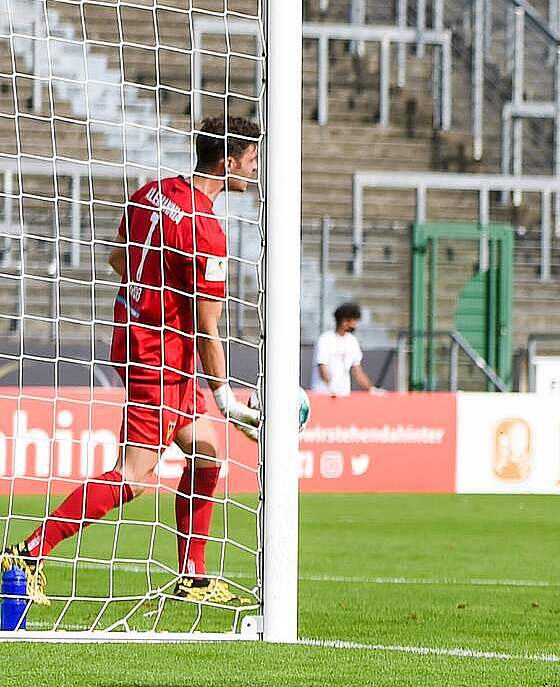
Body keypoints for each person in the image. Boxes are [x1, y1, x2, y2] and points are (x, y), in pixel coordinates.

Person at [0, 116, 263, 607]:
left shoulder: (152, 192)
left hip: (141, 341)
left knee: (207, 455)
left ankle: (193, 574)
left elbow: (118, 258)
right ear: (228, 162)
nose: (255, 169)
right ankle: (28, 553)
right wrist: (227, 398)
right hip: (161, 359)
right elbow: (208, 328)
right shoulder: (208, 233)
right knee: (134, 477)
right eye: (251, 160)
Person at [311, 302, 381, 396]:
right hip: (324, 394)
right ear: (344, 321)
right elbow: (322, 368)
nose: (355, 325)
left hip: (343, 395)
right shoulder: (325, 339)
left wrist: (372, 389)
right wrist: (332, 388)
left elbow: (357, 371)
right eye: (353, 321)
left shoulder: (352, 341)